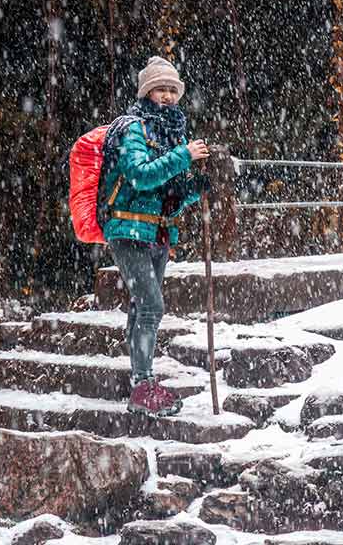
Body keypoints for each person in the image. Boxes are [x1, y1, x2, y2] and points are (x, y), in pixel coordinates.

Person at [101, 56, 209, 417]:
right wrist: (184, 156)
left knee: (140, 306)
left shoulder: (173, 133)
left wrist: (194, 190)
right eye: (160, 89)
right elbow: (140, 176)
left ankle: (139, 382)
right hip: (127, 229)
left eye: (172, 90)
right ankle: (143, 384)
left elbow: (167, 198)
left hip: (158, 231)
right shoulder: (132, 129)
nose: (167, 96)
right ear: (147, 92)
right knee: (151, 305)